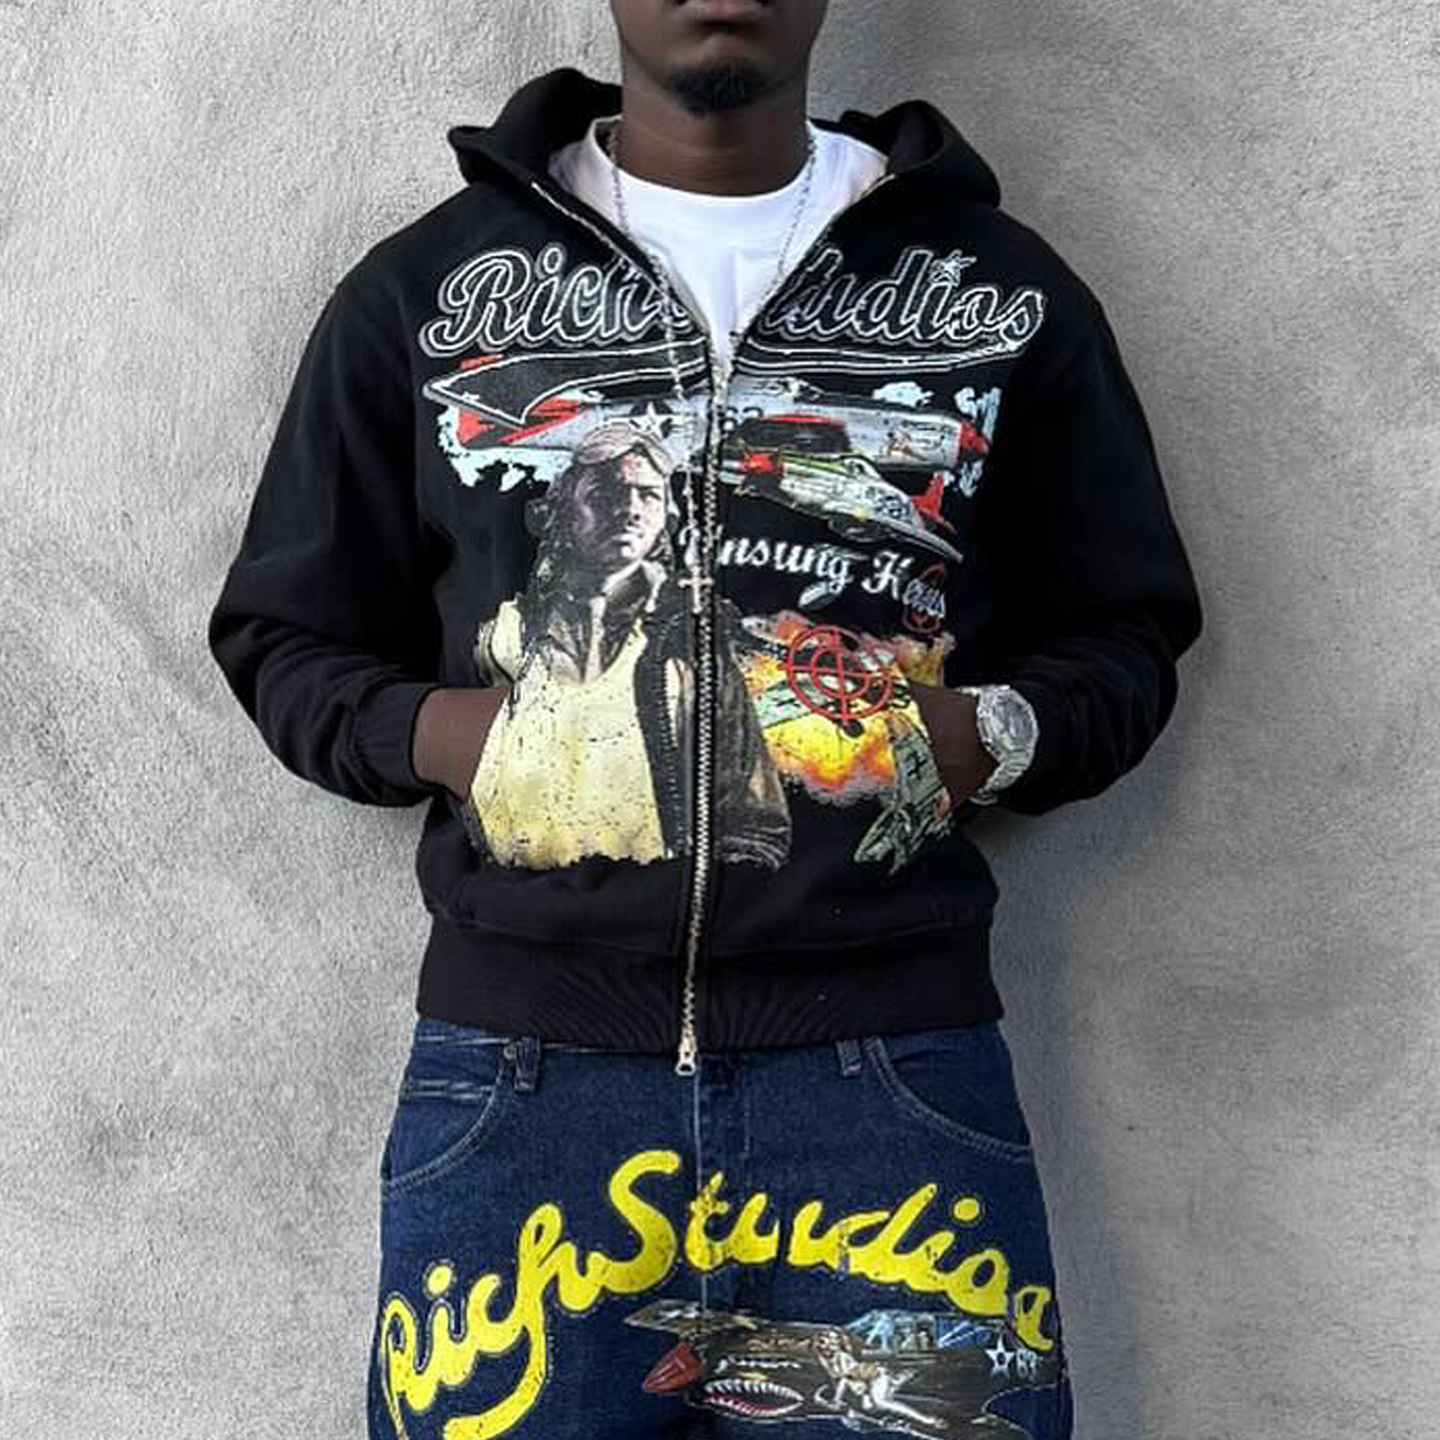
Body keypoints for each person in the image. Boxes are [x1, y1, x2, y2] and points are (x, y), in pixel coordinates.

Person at [207, 1, 1204, 1435]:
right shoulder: (429, 290)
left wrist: (982, 736)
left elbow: (1124, 631)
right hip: (523, 1094)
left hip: (891, 1089)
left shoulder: (998, 292)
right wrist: (473, 741)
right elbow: (285, 634)